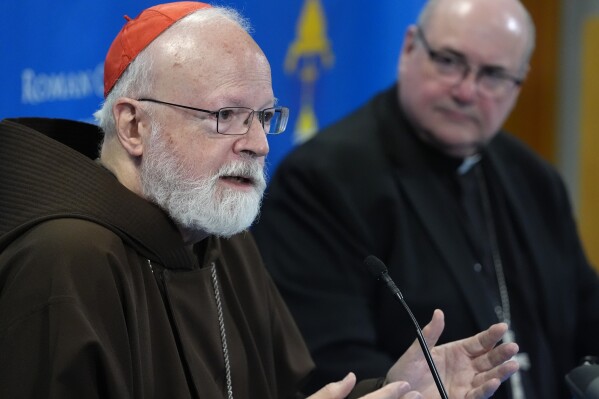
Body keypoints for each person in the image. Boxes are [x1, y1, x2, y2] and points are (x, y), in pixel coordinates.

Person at [0, 2, 520, 399]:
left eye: (264, 117)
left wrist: (393, 388)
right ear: (134, 126)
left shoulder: (222, 239)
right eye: (226, 116)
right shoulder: (63, 261)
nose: (259, 144)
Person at [253, 0, 599, 398]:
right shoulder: (322, 180)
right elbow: (331, 367)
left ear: (519, 82)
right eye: (450, 61)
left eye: (493, 75)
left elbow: (587, 321)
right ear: (410, 47)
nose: (466, 91)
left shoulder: (536, 181)